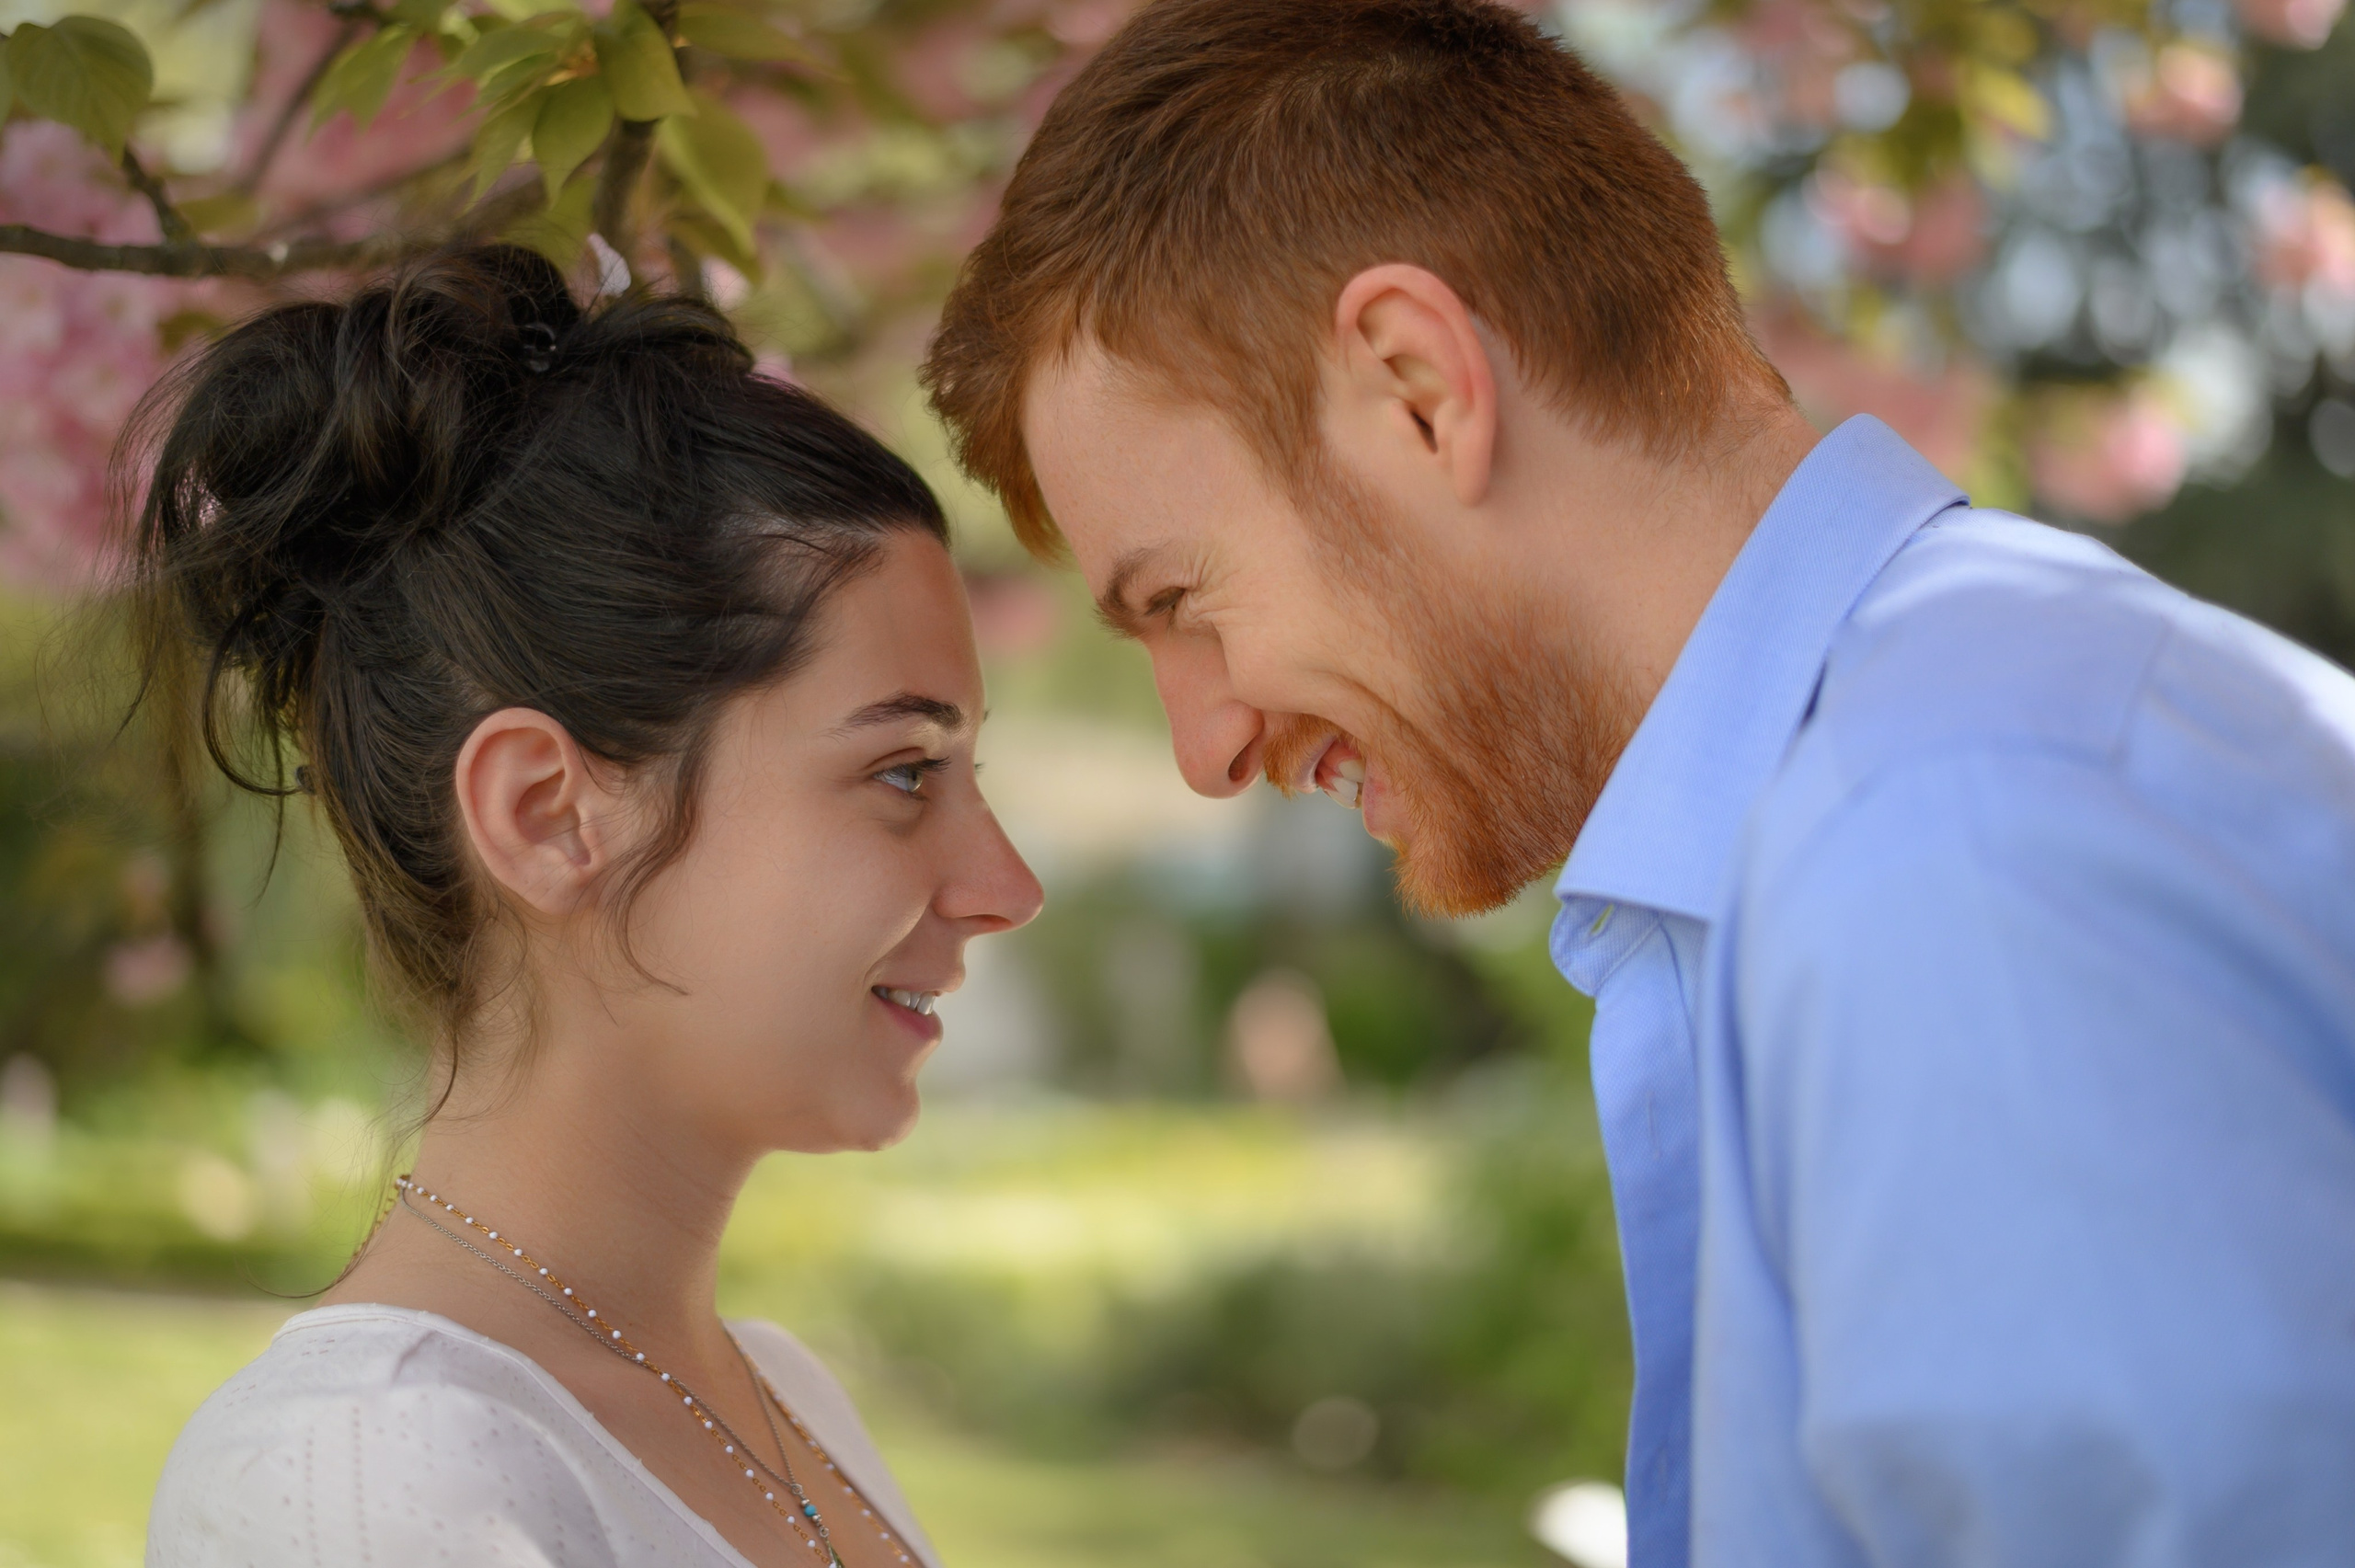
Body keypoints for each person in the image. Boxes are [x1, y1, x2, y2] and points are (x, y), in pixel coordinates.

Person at [920, 1, 2355, 1563]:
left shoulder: (1949, 856)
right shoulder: (1920, 781)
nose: (1202, 748)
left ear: (1417, 386)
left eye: (1180, 603)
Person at [136, 245, 1042, 1566]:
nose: (1005, 883)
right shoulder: (370, 1480)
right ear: (548, 813)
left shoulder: (790, 1402)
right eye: (904, 771)